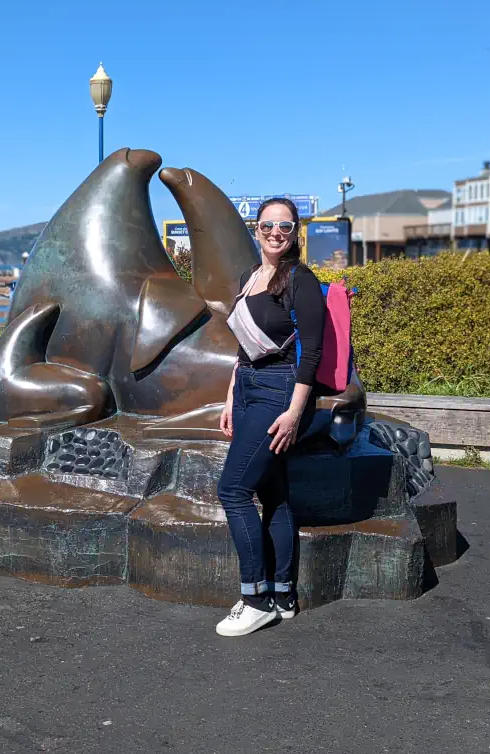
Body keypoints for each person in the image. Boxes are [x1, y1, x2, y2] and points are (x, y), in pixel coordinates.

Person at [215, 198, 331, 637]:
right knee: (274, 491)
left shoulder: (301, 279)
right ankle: (282, 594)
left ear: (295, 231)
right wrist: (230, 398)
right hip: (247, 387)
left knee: (233, 489)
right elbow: (243, 350)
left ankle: (254, 598)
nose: (276, 232)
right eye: (268, 225)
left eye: (285, 225)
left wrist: (294, 413)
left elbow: (313, 354)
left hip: (279, 390)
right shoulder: (250, 277)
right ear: (256, 228)